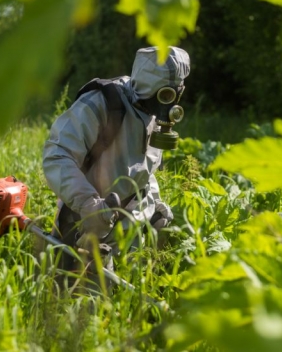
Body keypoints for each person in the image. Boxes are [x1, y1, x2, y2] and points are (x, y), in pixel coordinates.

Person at [42, 46, 190, 285]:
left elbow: (143, 168)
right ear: (149, 86)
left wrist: (155, 201)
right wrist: (88, 203)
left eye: (174, 94)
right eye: (163, 95)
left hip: (133, 221)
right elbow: (57, 155)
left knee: (141, 290)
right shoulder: (103, 105)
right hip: (89, 221)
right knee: (86, 306)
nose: (168, 103)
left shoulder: (153, 113)